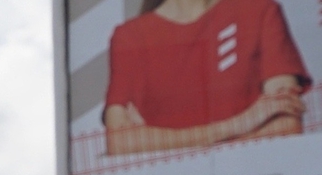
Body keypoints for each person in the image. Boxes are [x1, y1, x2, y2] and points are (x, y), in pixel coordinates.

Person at [102, 0, 311, 156]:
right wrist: (241, 124)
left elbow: (284, 128)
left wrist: (162, 143)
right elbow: (120, 143)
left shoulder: (260, 11)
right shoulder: (130, 37)